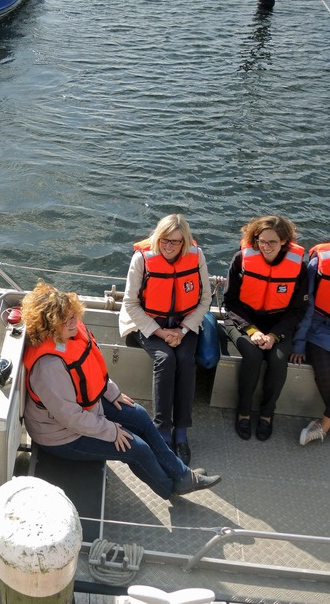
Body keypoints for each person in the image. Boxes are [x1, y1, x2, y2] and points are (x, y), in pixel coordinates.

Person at [22, 281, 221, 500]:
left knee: (140, 416)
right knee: (136, 449)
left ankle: (182, 475)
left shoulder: (70, 334)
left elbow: (89, 370)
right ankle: (169, 488)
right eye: (66, 319)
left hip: (88, 407)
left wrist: (111, 392)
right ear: (49, 325)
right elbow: (71, 418)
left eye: (73, 315)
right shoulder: (49, 367)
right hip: (61, 435)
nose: (74, 321)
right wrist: (111, 430)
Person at [119, 214, 212, 465]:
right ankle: (162, 430)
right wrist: (161, 333)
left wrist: (182, 330)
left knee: (185, 359)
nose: (169, 246)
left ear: (185, 242)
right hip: (148, 323)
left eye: (176, 242)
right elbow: (130, 303)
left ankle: (181, 431)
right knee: (165, 358)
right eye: (164, 240)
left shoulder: (197, 256)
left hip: (185, 323)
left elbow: (205, 299)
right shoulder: (141, 259)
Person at [223, 215, 308, 441]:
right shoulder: (240, 260)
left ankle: (267, 414)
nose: (266, 246)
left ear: (284, 242)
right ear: (254, 239)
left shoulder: (300, 268)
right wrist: (252, 331)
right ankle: (243, 412)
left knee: (279, 360)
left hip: (278, 324)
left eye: (272, 242)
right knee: (252, 354)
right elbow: (229, 303)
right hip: (241, 320)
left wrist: (274, 335)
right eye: (261, 241)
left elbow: (298, 310)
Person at [291, 242, 330, 445]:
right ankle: (324, 425)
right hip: (319, 331)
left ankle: (325, 424)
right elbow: (307, 308)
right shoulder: (318, 264)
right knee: (325, 374)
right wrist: (299, 344)